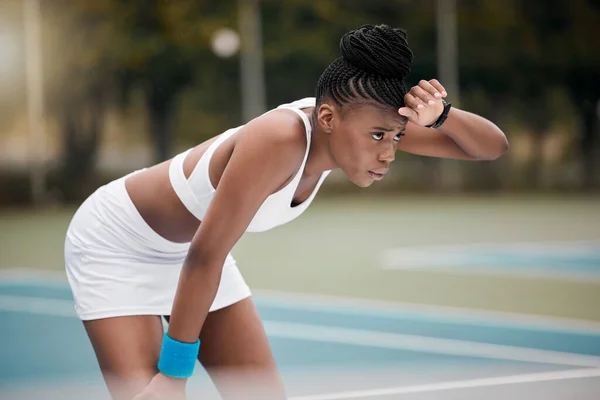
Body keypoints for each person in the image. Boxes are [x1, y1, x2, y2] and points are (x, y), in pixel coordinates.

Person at [64, 24, 508, 400]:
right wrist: (174, 374)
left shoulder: (368, 121)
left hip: (197, 252)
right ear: (328, 119)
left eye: (395, 137)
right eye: (378, 137)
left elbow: (491, 148)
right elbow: (205, 256)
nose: (389, 151)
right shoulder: (278, 139)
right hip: (118, 243)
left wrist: (442, 115)